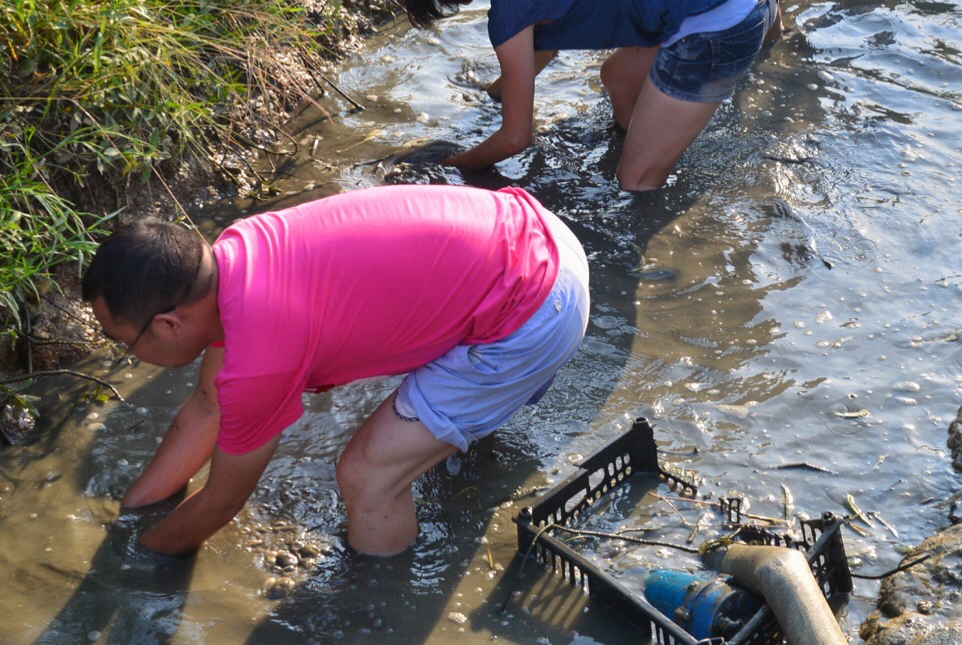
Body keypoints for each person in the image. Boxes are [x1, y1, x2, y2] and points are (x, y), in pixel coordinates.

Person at [82, 186, 589, 559]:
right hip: (536, 233)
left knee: (367, 476)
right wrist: (133, 511)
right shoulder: (234, 255)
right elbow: (207, 407)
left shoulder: (259, 360)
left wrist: (130, 559)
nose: (127, 353)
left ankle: (378, 606)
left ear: (169, 324)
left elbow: (219, 504)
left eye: (124, 341)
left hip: (535, 308)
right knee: (405, 439)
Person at [399, 0, 777, 192]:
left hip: (723, 19)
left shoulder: (512, 3)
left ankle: (648, 244)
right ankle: (657, 139)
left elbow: (516, 137)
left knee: (633, 181)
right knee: (617, 77)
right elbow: (540, 54)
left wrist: (450, 165)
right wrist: (490, 96)